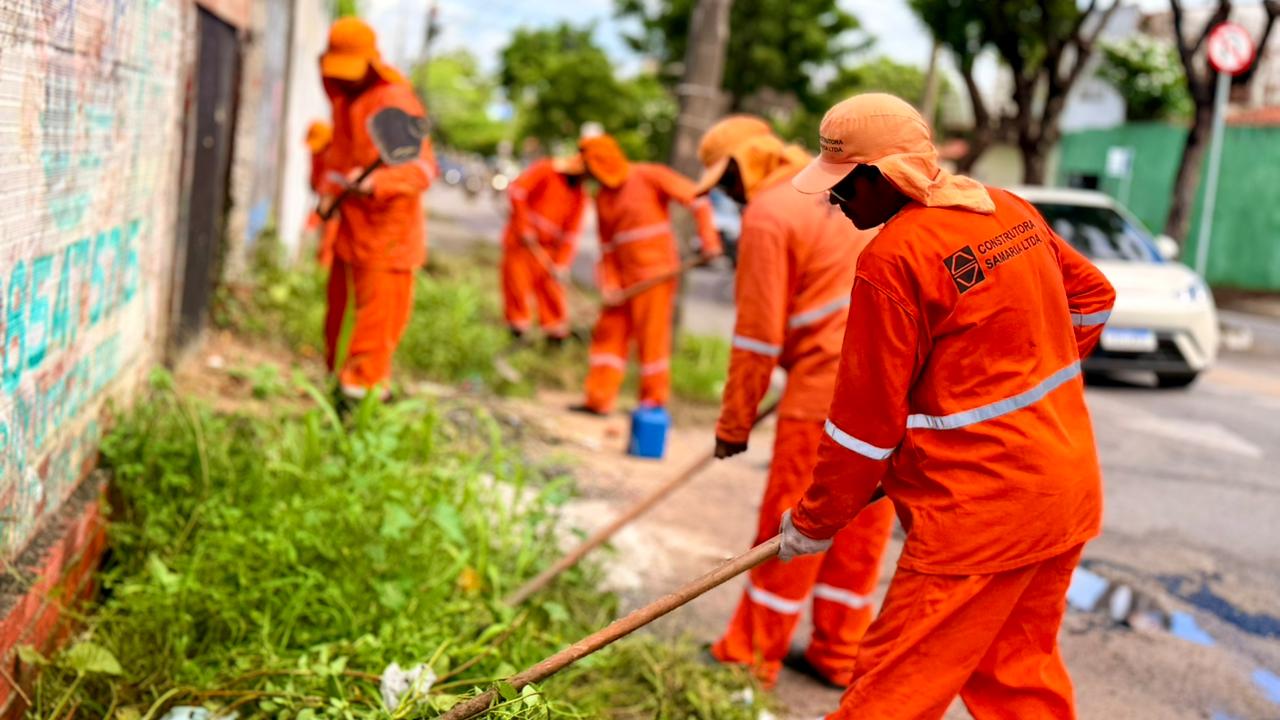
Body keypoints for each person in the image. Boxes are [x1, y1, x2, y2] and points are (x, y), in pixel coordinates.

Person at [779, 93, 1115, 719]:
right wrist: (1018, 377)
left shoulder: (892, 260)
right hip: (1064, 492)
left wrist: (814, 520)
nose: (835, 199)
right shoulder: (1006, 210)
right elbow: (1093, 298)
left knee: (889, 694)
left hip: (981, 514)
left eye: (844, 186)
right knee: (1016, 677)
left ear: (884, 176)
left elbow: (863, 430)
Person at [693, 116, 896, 689]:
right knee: (860, 524)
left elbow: (757, 337)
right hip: (888, 388)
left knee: (795, 521)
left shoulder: (768, 213)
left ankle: (749, 654)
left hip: (825, 392)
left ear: (741, 167)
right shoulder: (840, 192)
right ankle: (841, 651)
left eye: (724, 182)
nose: (727, 197)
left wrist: (734, 425)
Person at [316, 17, 437, 402]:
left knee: (376, 329)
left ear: (370, 62)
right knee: (341, 320)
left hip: (389, 239)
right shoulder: (344, 98)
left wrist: (376, 184)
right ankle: (339, 391)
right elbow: (339, 155)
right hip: (351, 231)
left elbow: (421, 170)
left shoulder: (394, 100)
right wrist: (328, 190)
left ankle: (362, 409)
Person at [573, 134, 722, 415]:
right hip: (623, 282)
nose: (590, 175)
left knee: (651, 341)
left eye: (591, 168)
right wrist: (610, 283)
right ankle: (597, 399)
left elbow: (698, 200)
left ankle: (652, 404)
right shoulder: (602, 197)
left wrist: (709, 240)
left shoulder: (649, 175)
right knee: (608, 335)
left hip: (657, 275)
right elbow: (607, 247)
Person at [501, 155, 588, 343]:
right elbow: (517, 191)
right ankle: (517, 330)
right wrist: (524, 227)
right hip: (522, 243)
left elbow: (572, 234)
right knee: (517, 284)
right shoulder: (546, 170)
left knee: (552, 289)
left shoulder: (580, 196)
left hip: (549, 249)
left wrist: (562, 263)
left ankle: (555, 334)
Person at [304, 120, 340, 268]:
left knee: (329, 237)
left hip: (334, 201)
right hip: (323, 198)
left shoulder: (336, 150)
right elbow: (315, 173)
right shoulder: (317, 151)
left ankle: (324, 268)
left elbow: (335, 176)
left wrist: (329, 197)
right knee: (311, 228)